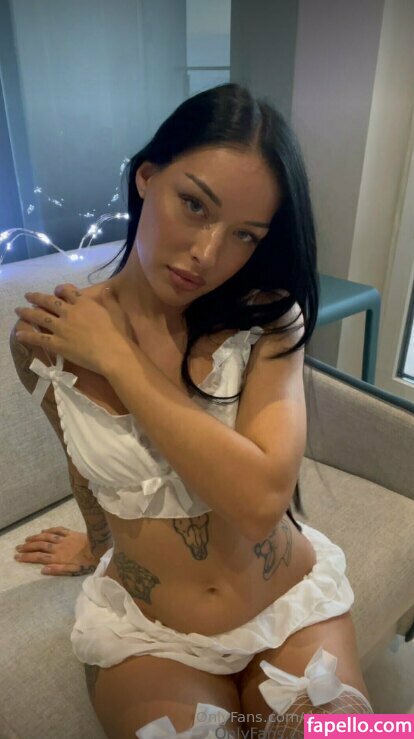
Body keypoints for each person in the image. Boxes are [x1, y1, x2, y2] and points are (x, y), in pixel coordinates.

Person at [10, 83, 373, 738]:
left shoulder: (268, 321)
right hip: (151, 637)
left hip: (292, 606)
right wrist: (96, 543)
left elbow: (260, 501)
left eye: (244, 235)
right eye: (194, 205)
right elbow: (82, 461)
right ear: (148, 177)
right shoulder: (47, 338)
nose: (208, 254)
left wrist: (118, 358)